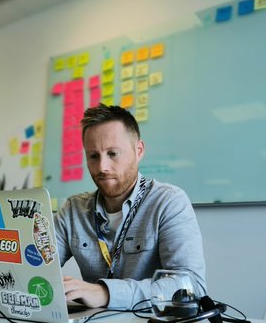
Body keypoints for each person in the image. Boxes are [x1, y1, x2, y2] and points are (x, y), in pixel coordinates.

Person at [54, 104, 206, 310]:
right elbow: (37, 267)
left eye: (113, 153)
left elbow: (191, 286)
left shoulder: (169, 202)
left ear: (139, 150)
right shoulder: (73, 210)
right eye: (93, 156)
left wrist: (106, 293)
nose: (102, 167)